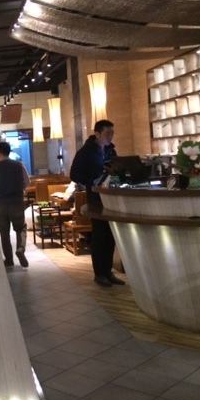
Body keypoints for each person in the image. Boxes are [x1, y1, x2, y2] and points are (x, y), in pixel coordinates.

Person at [70, 119, 125, 288]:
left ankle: (108, 272)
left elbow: (117, 168)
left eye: (112, 133)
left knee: (110, 236)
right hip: (95, 198)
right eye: (107, 133)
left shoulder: (110, 150)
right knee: (99, 236)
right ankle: (99, 273)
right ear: (97, 134)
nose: (110, 136)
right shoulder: (85, 152)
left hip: (110, 198)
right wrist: (93, 180)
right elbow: (74, 174)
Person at [0, 141, 31, 269]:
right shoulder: (19, 165)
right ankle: (20, 249)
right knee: (20, 228)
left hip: (1, 203)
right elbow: (27, 182)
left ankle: (9, 260)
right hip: (17, 202)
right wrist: (19, 188)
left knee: (4, 233)